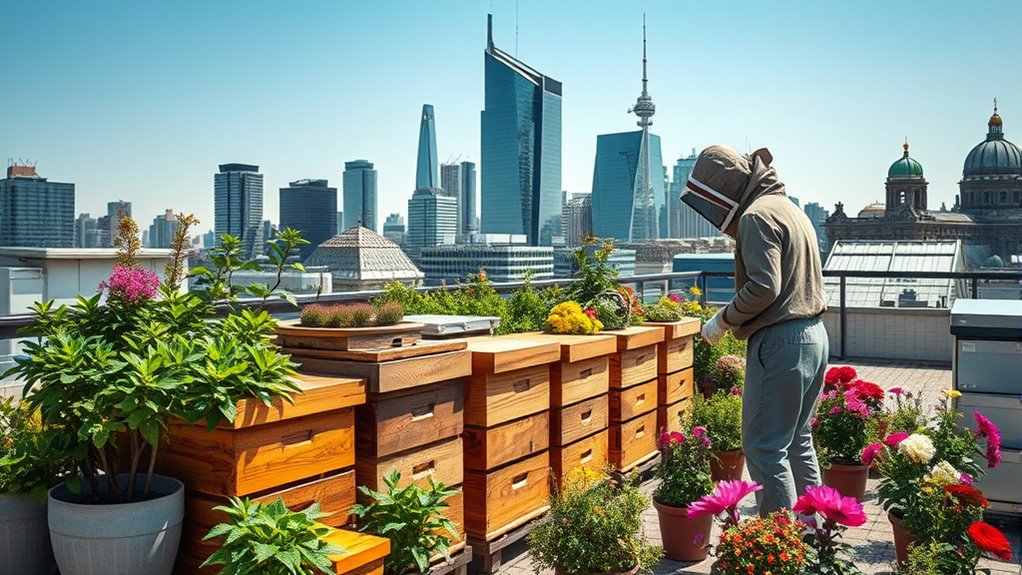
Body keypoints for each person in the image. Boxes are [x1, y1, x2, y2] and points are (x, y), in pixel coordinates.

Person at [681, 144, 828, 515]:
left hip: (781, 341)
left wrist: (723, 319)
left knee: (763, 447)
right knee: (798, 441)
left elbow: (765, 286)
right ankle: (814, 540)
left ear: (724, 191)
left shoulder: (756, 217)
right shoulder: (790, 209)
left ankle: (780, 549)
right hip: (815, 335)